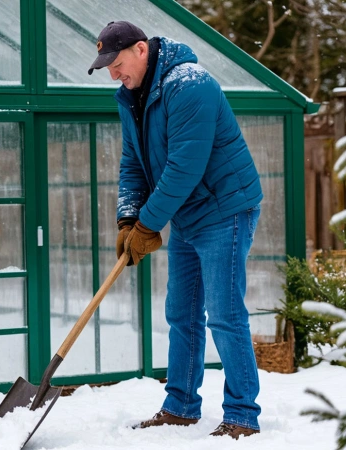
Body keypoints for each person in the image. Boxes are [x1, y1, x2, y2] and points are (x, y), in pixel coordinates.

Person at [89, 21, 264, 439]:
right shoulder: (130, 97)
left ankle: (242, 414)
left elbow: (184, 167)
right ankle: (181, 406)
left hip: (223, 208)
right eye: (107, 67)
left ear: (141, 49)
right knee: (181, 312)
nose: (113, 73)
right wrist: (128, 218)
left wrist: (148, 224)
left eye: (116, 63)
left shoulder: (190, 84)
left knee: (224, 314)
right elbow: (133, 163)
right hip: (186, 213)